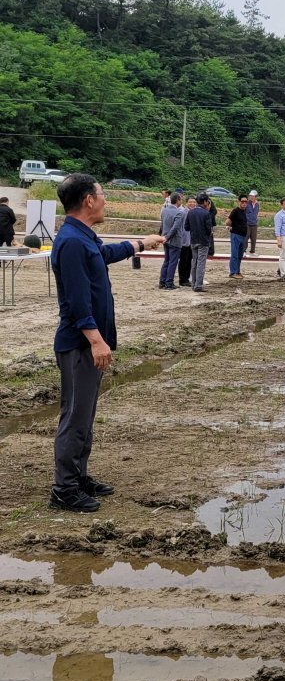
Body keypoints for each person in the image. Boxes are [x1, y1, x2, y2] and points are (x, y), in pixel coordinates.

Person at [49, 174, 164, 512]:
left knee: (85, 415)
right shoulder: (71, 241)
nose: (104, 201)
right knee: (75, 415)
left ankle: (78, 476)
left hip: (89, 342)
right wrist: (96, 341)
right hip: (79, 344)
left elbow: (105, 253)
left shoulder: (83, 237)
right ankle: (64, 489)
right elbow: (76, 301)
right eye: (101, 195)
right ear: (88, 200)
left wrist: (140, 244)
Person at [158, 193, 186, 290]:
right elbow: (175, 228)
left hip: (165, 238)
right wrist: (168, 237)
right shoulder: (179, 212)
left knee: (167, 260)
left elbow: (162, 224)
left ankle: (162, 281)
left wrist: (164, 237)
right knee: (173, 262)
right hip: (174, 240)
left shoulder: (164, 210)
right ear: (178, 201)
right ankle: (169, 282)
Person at [187, 194, 213, 292]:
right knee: (201, 263)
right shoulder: (206, 213)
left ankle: (193, 283)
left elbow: (186, 227)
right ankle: (198, 285)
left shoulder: (190, 212)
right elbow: (208, 229)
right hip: (203, 241)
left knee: (194, 262)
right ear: (205, 202)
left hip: (193, 240)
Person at [227, 195, 249, 279]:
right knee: (235, 254)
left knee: (240, 255)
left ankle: (237, 271)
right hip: (236, 235)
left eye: (245, 201)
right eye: (242, 201)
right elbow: (228, 221)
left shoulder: (244, 211)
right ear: (239, 202)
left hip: (243, 236)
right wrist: (231, 227)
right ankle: (232, 272)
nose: (244, 203)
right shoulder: (235, 211)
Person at [177, 196, 196, 287]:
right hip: (184, 240)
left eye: (194, 202)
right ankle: (182, 279)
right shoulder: (183, 212)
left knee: (189, 260)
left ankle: (187, 279)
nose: (192, 204)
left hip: (192, 240)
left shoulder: (194, 212)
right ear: (186, 203)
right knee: (183, 260)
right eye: (190, 202)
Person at [245, 190, 260, 254]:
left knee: (254, 238)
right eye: (250, 196)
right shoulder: (246, 203)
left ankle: (252, 251)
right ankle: (243, 251)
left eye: (252, 196)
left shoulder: (257, 204)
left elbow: (256, 213)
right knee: (246, 237)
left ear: (255, 197)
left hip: (254, 223)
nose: (250, 197)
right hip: (247, 223)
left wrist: (256, 220)